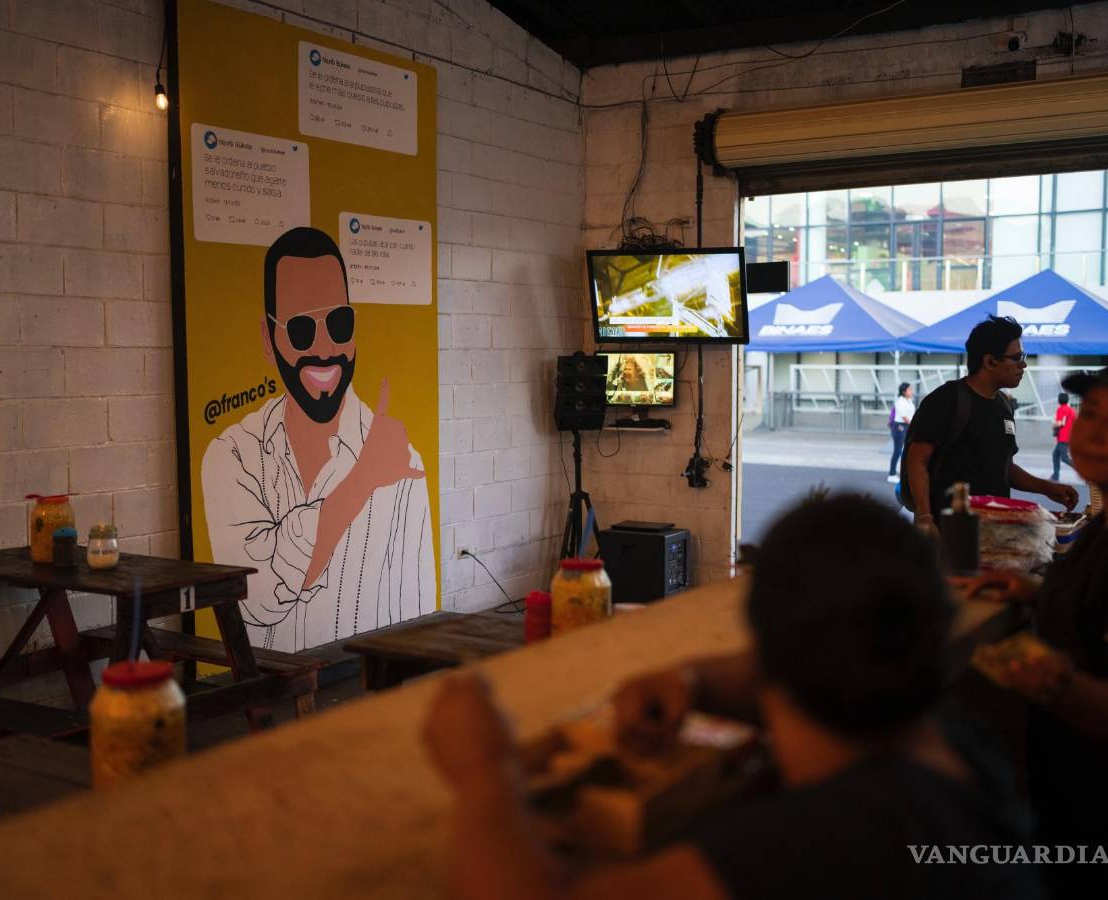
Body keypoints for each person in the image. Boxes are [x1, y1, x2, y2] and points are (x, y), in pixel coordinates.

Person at [423, 495, 1043, 900]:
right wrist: (691, 682)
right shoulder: (956, 746)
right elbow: (775, 670)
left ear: (771, 650)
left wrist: (483, 773)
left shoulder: (821, 846)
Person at [965, 357, 1108, 897]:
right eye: (1090, 412)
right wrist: (1034, 592)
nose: (1095, 430)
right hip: (1077, 784)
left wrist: (1057, 682)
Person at [202, 227, 435, 653]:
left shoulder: (402, 462)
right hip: (264, 698)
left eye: (339, 324)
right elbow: (254, 597)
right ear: (268, 339)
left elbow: (417, 613)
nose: (326, 347)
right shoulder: (231, 455)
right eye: (302, 331)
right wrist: (360, 480)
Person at [904, 315, 1077, 536]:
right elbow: (917, 459)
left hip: (995, 532)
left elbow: (1004, 468)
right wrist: (926, 518)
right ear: (989, 361)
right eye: (1016, 358)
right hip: (950, 531)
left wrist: (1047, 488)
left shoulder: (1003, 404)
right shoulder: (946, 400)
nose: (1023, 365)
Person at [887, 381, 914, 483]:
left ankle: (901, 473)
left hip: (906, 426)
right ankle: (892, 474)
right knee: (897, 451)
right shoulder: (900, 401)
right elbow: (904, 417)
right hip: (900, 427)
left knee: (903, 451)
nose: (912, 391)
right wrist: (914, 425)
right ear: (904, 391)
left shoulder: (909, 401)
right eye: (910, 389)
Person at [1050, 392, 1076, 481]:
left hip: (1063, 437)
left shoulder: (1061, 409)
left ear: (1059, 400)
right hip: (1069, 437)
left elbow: (1060, 423)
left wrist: (1053, 425)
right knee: (1055, 455)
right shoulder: (1071, 410)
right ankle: (1055, 476)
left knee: (1064, 458)